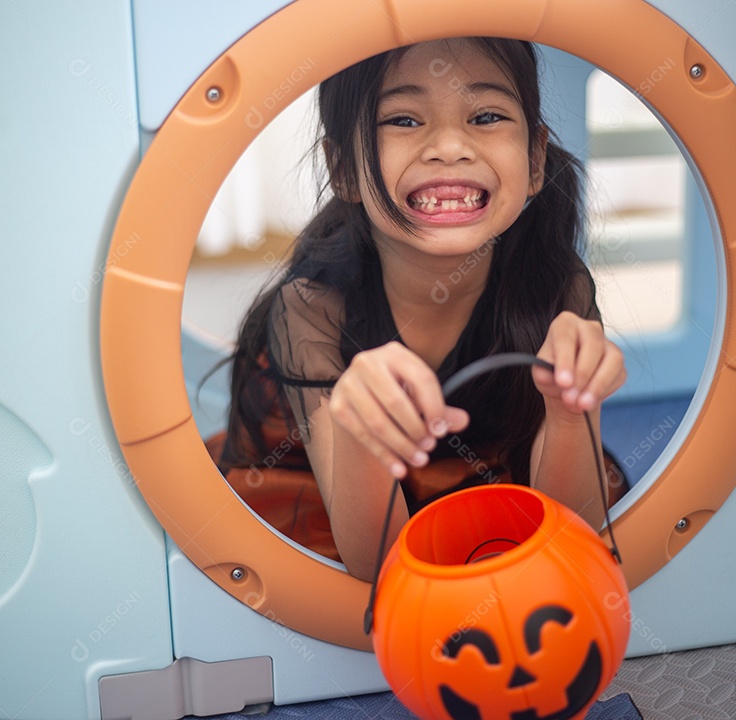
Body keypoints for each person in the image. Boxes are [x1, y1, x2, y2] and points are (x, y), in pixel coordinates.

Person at [206, 37, 626, 582]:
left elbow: (570, 537)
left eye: (487, 115)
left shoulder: (555, 288)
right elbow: (378, 567)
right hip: (328, 482)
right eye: (403, 120)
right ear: (345, 171)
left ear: (536, 158)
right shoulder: (312, 308)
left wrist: (573, 411)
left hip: (485, 463)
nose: (449, 146)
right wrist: (361, 433)